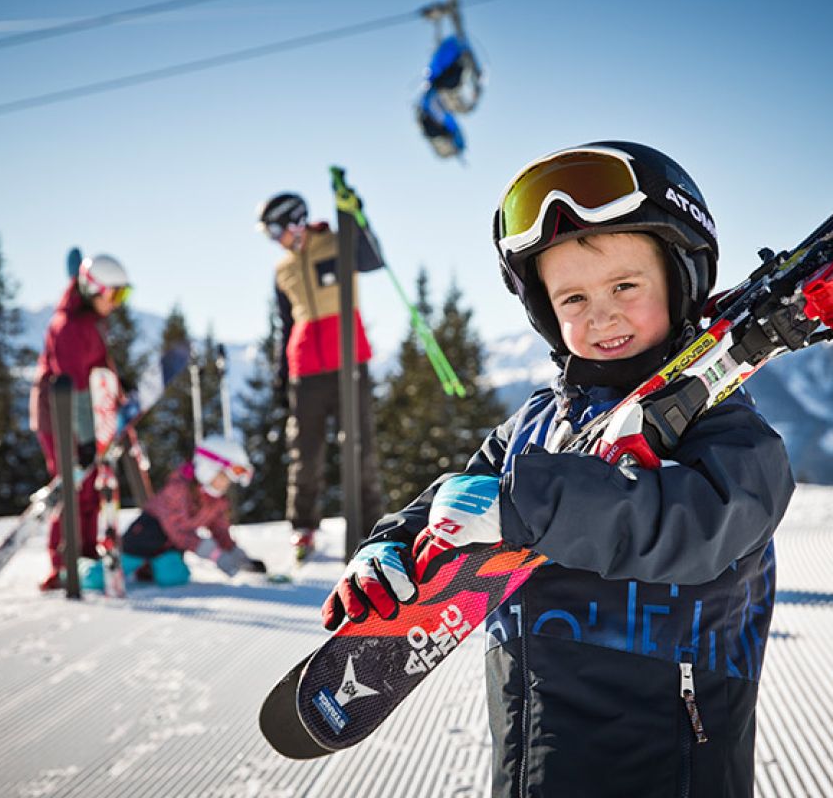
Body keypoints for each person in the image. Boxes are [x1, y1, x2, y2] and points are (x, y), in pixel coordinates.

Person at [320, 142, 795, 796]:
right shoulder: (533, 423)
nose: (600, 315)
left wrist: (530, 511)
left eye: (625, 286)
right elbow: (459, 493)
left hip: (669, 768)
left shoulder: (725, 428)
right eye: (571, 298)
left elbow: (700, 523)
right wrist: (390, 545)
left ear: (680, 279)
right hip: (529, 757)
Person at [256, 192, 384, 561]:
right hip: (305, 368)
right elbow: (285, 325)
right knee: (305, 452)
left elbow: (372, 259)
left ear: (294, 221)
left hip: (349, 358)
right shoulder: (283, 269)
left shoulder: (337, 241)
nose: (274, 240)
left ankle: (372, 526)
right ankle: (303, 527)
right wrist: (282, 377)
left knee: (359, 446)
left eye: (274, 231)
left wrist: (356, 217)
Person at [30, 254, 132, 591]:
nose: (117, 304)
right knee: (71, 487)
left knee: (89, 488)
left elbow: (98, 370)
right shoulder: (69, 327)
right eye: (114, 295)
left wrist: (117, 392)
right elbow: (71, 386)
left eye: (123, 296)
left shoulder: (89, 322)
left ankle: (86, 556)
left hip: (87, 415)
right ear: (93, 289)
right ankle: (63, 564)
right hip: (58, 417)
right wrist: (86, 438)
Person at [115, 434, 265, 587]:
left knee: (175, 577)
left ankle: (146, 570)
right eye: (223, 477)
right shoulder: (178, 489)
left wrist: (239, 557)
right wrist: (216, 555)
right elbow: (178, 530)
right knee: (106, 575)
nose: (226, 484)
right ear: (208, 469)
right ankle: (100, 571)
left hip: (169, 548)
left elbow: (220, 530)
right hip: (143, 538)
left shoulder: (215, 500)